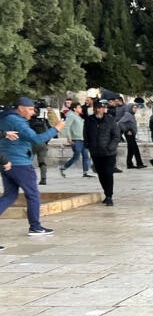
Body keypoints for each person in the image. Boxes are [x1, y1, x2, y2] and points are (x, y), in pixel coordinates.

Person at [0, 97, 64, 233]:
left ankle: (35, 227)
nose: (33, 112)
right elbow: (37, 139)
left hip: (7, 162)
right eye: (30, 109)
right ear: (20, 108)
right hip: (20, 163)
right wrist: (56, 129)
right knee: (33, 194)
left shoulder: (5, 118)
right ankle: (35, 227)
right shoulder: (17, 121)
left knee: (9, 195)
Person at [83, 99, 121, 206]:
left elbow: (116, 136)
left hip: (109, 153)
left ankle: (109, 196)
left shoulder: (110, 120)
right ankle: (106, 192)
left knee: (108, 173)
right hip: (96, 152)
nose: (98, 110)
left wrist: (110, 147)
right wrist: (88, 145)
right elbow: (86, 134)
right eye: (96, 108)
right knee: (101, 174)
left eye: (100, 108)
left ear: (104, 109)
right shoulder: (89, 120)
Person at [59, 102, 92, 178]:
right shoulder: (71, 115)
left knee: (86, 155)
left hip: (83, 139)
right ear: (74, 109)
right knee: (76, 156)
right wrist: (69, 137)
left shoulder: (79, 116)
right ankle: (63, 167)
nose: (81, 109)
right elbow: (67, 127)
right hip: (76, 139)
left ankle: (85, 172)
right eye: (79, 107)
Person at [26, 105, 52, 184]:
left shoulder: (27, 122)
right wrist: (46, 142)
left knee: (27, 161)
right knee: (42, 162)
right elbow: (50, 132)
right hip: (42, 143)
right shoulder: (43, 121)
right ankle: (43, 178)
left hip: (32, 143)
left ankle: (28, 178)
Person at [116, 103, 146, 169]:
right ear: (130, 108)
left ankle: (129, 164)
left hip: (131, 134)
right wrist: (126, 130)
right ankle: (139, 163)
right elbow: (120, 123)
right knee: (135, 149)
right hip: (129, 134)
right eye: (134, 108)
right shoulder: (128, 114)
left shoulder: (131, 115)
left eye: (136, 108)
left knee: (131, 149)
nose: (135, 109)